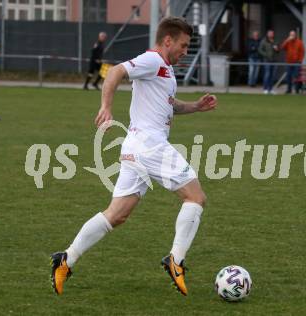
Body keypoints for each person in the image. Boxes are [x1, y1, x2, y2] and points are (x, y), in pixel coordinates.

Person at [50, 17, 218, 297]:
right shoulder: (152, 60)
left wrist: (196, 107)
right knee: (196, 197)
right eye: (183, 45)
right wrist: (106, 106)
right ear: (167, 41)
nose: (186, 51)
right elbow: (116, 71)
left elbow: (170, 105)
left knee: (116, 215)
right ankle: (176, 260)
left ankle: (66, 259)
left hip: (135, 146)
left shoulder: (165, 70)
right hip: (150, 145)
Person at [258, 29, 278, 94]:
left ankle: (271, 89)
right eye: (270, 33)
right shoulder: (264, 41)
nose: (271, 34)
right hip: (267, 60)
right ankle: (265, 89)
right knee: (267, 74)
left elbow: (278, 50)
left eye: (272, 33)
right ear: (267, 34)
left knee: (273, 75)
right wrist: (266, 55)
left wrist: (277, 49)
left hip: (274, 60)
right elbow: (260, 50)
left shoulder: (275, 41)